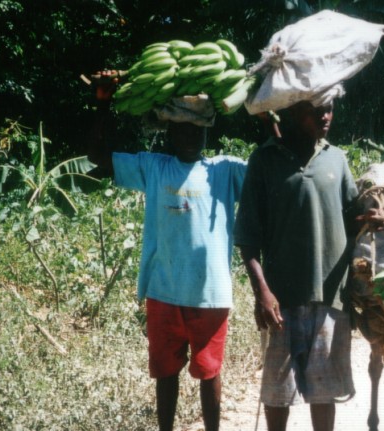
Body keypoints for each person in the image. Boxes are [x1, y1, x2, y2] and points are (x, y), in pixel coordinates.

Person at [88, 70, 247, 431]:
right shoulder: (154, 167)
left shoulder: (225, 170)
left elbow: (273, 175)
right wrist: (102, 102)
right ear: (169, 131)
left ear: (208, 131)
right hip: (163, 291)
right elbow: (98, 155)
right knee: (166, 375)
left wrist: (267, 116)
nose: (189, 136)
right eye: (181, 128)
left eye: (197, 129)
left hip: (210, 294)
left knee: (210, 374)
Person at [234, 100, 367, 431]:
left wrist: (370, 218)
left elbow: (352, 219)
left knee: (324, 393)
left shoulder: (335, 158)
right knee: (277, 394)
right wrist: (262, 292)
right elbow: (247, 237)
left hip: (330, 298)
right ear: (294, 111)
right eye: (316, 110)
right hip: (281, 299)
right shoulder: (265, 160)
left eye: (331, 108)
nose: (326, 117)